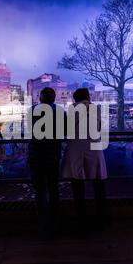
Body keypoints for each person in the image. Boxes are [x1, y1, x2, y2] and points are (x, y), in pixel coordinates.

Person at [62, 88, 109, 233]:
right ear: (88, 97)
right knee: (98, 186)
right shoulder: (97, 109)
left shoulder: (71, 110)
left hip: (76, 149)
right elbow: (101, 129)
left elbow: (66, 131)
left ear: (75, 99)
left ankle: (81, 223)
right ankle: (101, 221)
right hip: (95, 148)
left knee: (78, 187)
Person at [27, 87, 65, 239]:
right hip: (52, 156)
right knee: (53, 189)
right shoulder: (60, 111)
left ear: (40, 98)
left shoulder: (32, 110)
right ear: (54, 98)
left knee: (40, 191)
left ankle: (42, 224)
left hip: (35, 155)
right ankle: (55, 222)